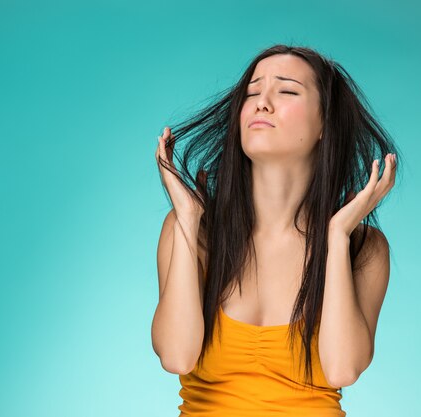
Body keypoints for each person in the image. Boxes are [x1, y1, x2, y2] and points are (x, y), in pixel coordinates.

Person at [151, 44, 402, 416]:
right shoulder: (190, 230)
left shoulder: (362, 248)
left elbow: (342, 368)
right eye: (252, 92)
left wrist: (336, 236)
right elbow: (176, 356)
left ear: (325, 125)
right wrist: (187, 219)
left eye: (285, 91)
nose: (261, 103)